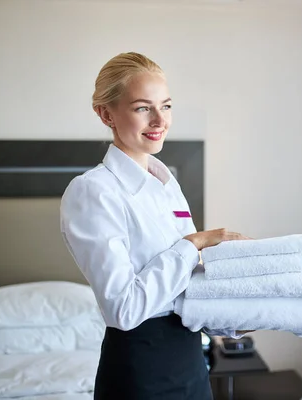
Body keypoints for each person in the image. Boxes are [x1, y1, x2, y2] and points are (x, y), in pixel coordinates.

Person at [60, 52, 252, 400]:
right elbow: (123, 308)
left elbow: (182, 288)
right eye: (142, 108)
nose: (159, 120)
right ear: (106, 114)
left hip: (192, 366)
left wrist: (240, 315)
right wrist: (193, 243)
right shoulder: (93, 191)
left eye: (165, 106)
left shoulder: (167, 183)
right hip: (140, 372)